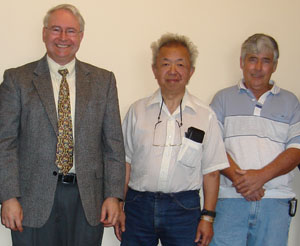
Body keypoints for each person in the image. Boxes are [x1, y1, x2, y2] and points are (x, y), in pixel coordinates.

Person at [0, 4, 125, 246]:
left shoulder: (103, 81)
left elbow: (114, 145)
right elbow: (5, 143)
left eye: (71, 31)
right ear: (44, 33)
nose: (63, 37)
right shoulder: (17, 79)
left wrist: (114, 195)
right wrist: (8, 196)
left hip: (88, 199)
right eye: (56, 29)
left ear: (80, 36)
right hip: (31, 199)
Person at [114, 33, 229, 246]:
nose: (173, 71)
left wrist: (208, 217)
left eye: (180, 64)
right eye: (166, 64)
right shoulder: (137, 111)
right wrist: (119, 204)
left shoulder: (206, 115)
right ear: (155, 70)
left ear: (191, 71)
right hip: (138, 205)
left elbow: (212, 172)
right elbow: (125, 162)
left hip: (184, 209)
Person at [210, 33, 300, 246]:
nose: (258, 67)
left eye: (266, 60)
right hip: (229, 201)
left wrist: (260, 178)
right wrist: (242, 183)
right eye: (252, 59)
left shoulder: (291, 102)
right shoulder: (222, 99)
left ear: (275, 66)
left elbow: (296, 150)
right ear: (242, 62)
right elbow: (213, 146)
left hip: (275, 203)